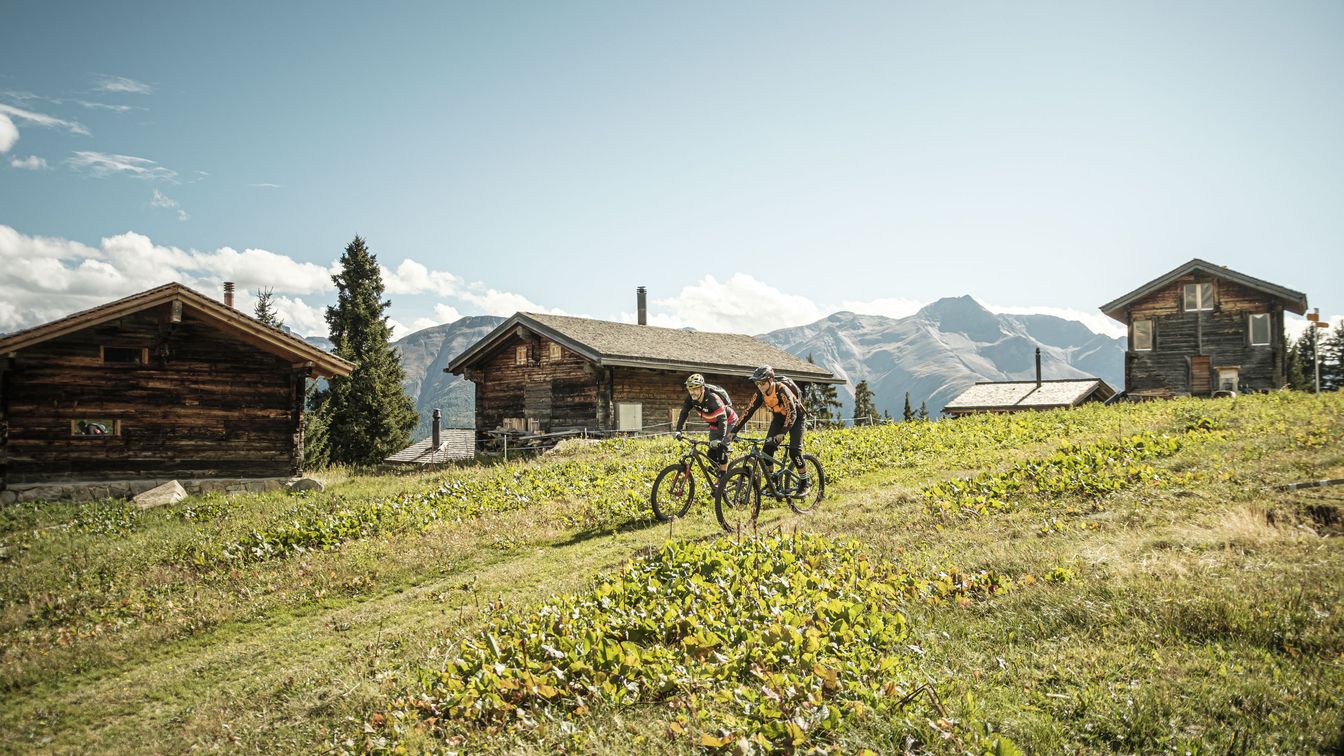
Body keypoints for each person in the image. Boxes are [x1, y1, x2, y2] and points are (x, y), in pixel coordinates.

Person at [733, 365, 809, 491]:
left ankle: (804, 481)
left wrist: (783, 432)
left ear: (771, 380)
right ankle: (772, 481)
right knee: (766, 451)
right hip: (779, 418)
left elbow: (792, 413)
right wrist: (733, 431)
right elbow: (748, 412)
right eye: (757, 383)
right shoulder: (760, 393)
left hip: (797, 418)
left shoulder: (782, 389)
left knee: (794, 451)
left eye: (762, 383)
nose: (760, 386)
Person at [674, 374, 738, 474]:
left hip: (729, 422)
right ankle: (721, 470)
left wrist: (720, 439)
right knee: (711, 453)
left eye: (695, 389)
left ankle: (723, 477)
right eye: (690, 389)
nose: (692, 392)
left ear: (702, 388)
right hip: (714, 425)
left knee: (721, 448)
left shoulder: (712, 398)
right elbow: (684, 413)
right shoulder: (691, 398)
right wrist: (678, 430)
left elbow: (723, 419)